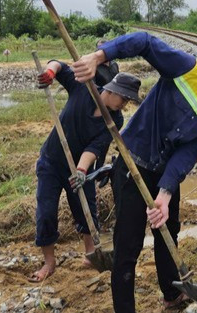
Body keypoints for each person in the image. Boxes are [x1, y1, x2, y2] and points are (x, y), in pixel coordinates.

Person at [71, 32, 197, 312]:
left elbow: (188, 152)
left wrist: (165, 192)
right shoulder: (188, 69)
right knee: (128, 244)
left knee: (168, 231)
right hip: (131, 164)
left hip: (163, 173)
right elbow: (144, 41)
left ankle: (171, 294)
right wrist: (99, 56)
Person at [30, 63, 141, 283]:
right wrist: (50, 73)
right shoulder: (84, 88)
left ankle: (91, 255)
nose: (125, 104)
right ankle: (49, 263)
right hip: (51, 161)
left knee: (86, 209)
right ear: (112, 91)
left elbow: (95, 147)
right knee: (46, 212)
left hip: (80, 168)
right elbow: (60, 66)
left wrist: (81, 170)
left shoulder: (114, 120)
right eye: (124, 99)